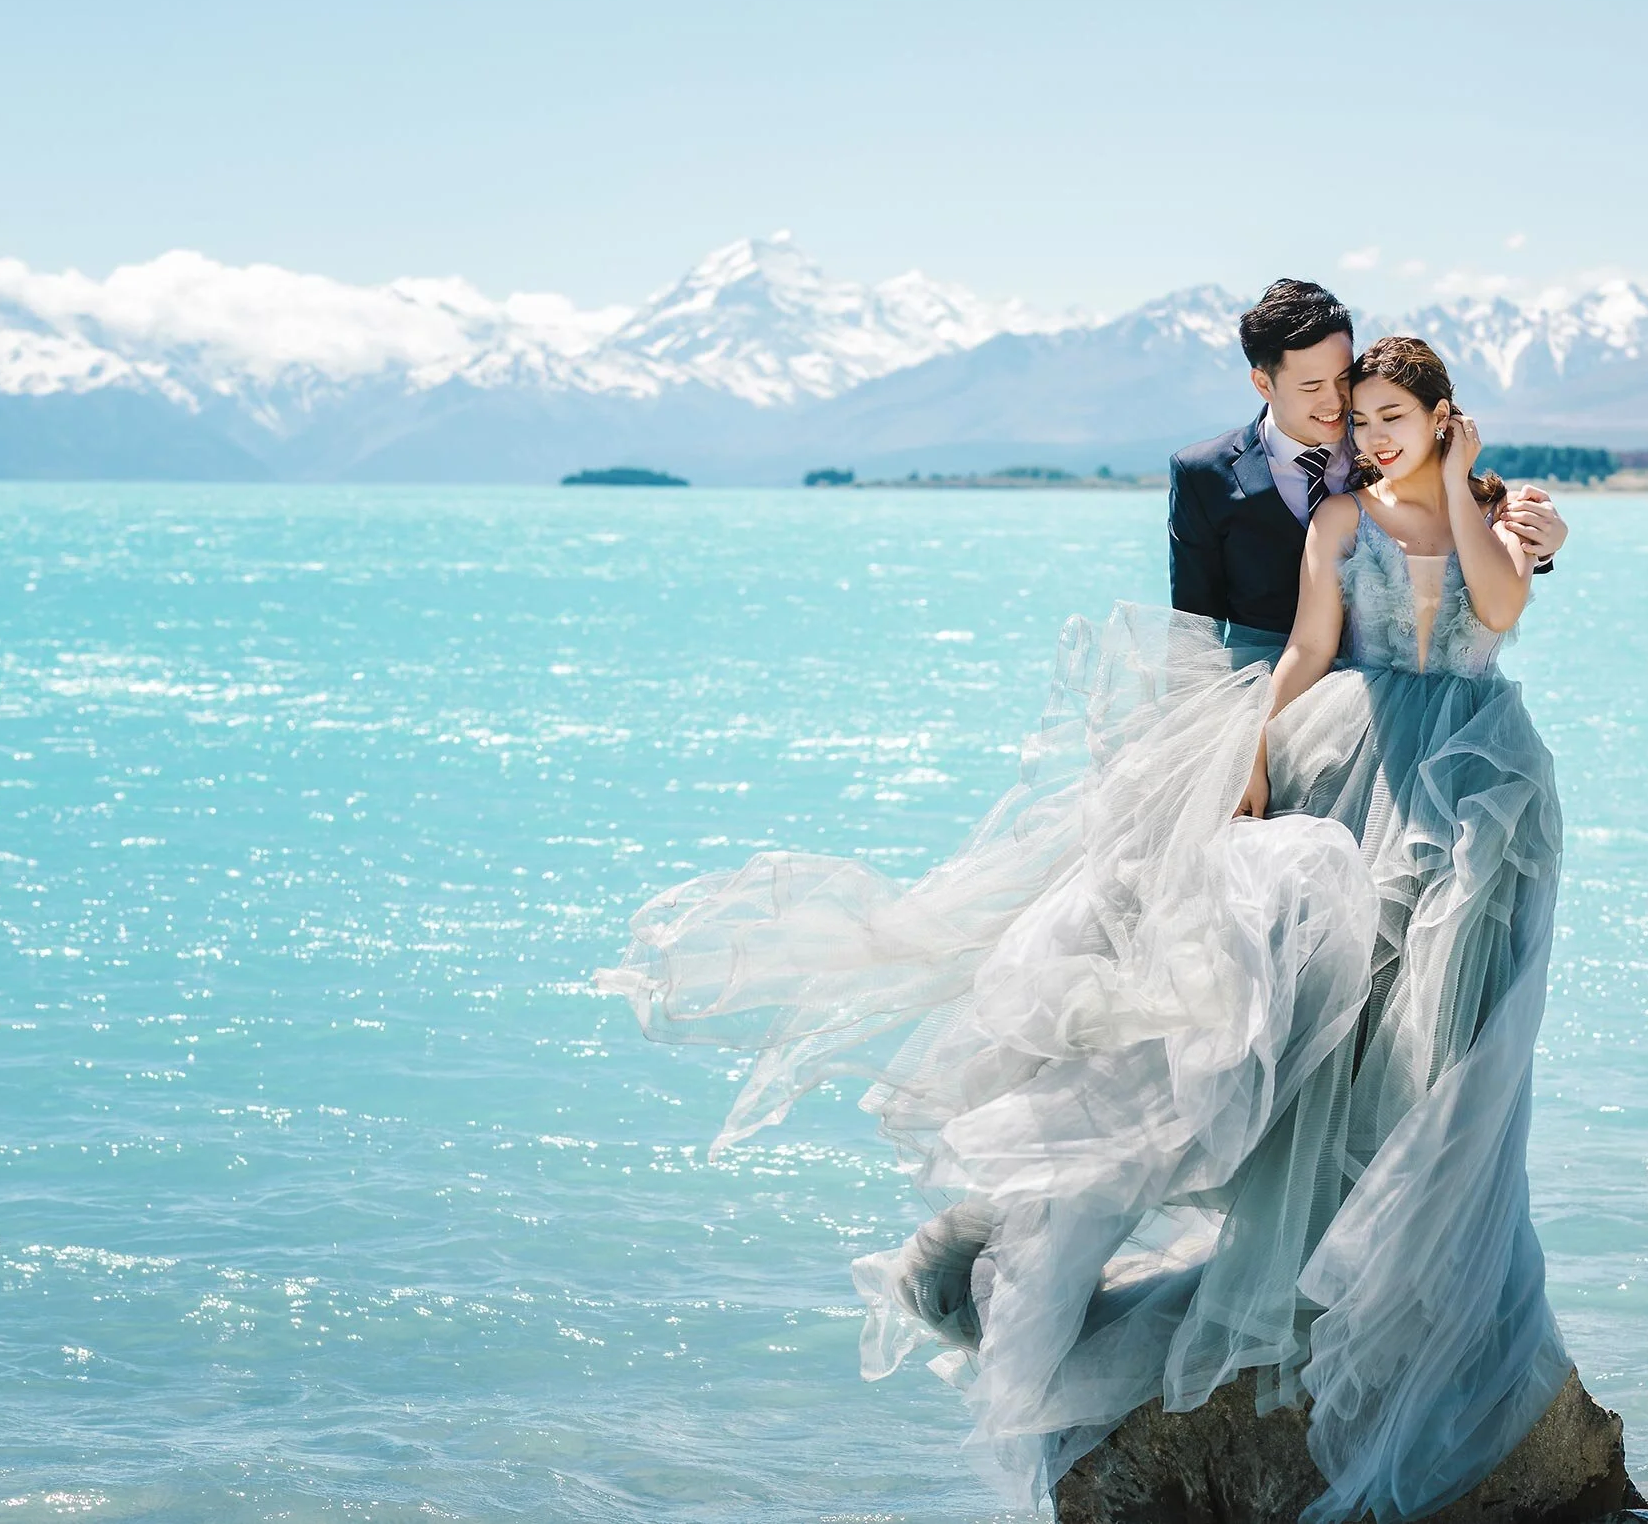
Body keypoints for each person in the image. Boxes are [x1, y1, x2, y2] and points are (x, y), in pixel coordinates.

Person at [606, 324, 1574, 1524]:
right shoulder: (1339, 519)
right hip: (1357, 758)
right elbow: (1311, 651)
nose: (1368, 435)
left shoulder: (1509, 515)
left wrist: (1475, 487)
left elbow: (1498, 609)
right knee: (1352, 1031)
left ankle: (1442, 1290)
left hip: (1480, 784)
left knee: (1459, 1041)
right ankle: (1315, 1277)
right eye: (1357, 417)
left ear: (1443, 417)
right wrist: (1247, 764)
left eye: (1392, 417)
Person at [1169, 278, 1567, 642]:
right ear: (1263, 384)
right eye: (1311, 387)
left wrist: (1538, 542)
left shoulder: (1389, 443)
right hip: (1262, 690)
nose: (1335, 402)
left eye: (1344, 378)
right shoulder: (1202, 475)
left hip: (1385, 703)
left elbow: (1453, 524)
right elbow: (1193, 628)